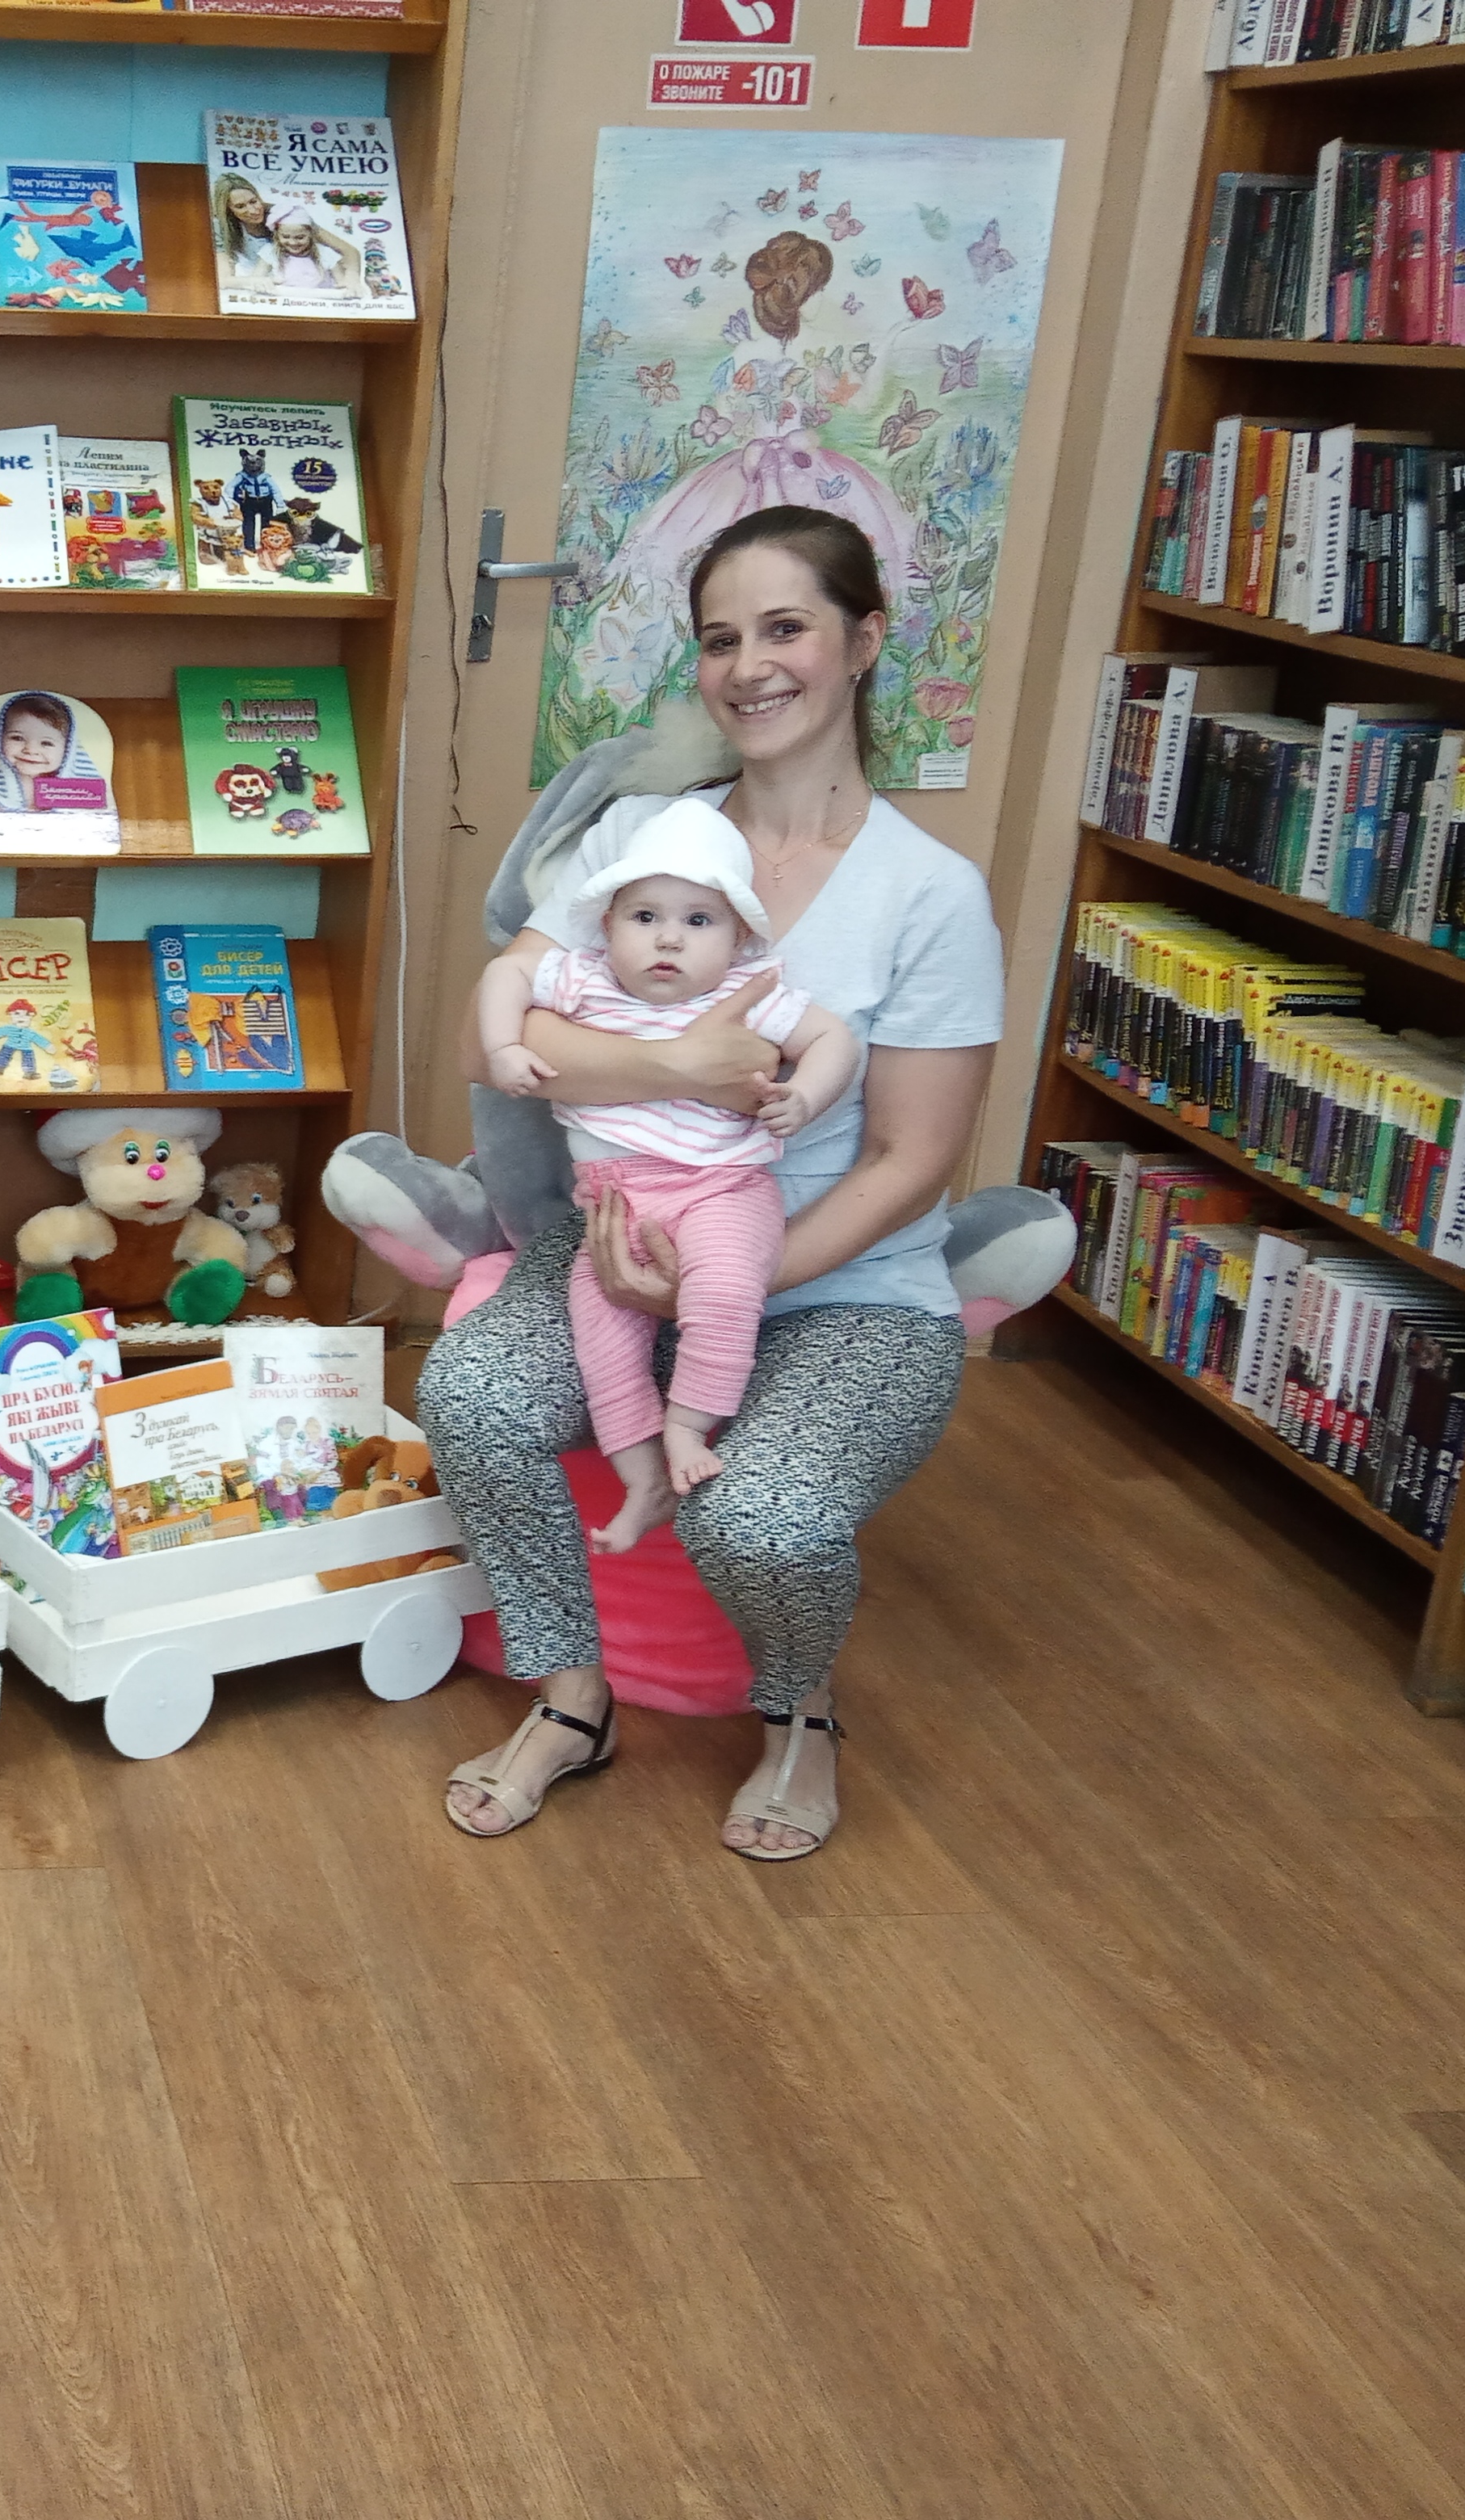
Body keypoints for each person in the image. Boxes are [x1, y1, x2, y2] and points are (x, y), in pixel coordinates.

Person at [422, 504, 1003, 1862]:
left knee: (766, 1518)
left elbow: (912, 1159)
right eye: (720, 638)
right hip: (624, 1250)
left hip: (844, 1292)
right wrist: (676, 1065)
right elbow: (497, 1034)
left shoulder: (928, 893)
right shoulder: (643, 835)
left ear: (864, 640)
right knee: (473, 1395)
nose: (749, 667)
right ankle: (573, 1698)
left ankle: (800, 1713)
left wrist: (721, 1285)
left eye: (785, 628)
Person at [474, 798, 862, 1550]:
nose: (668, 939)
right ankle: (643, 1479)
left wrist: (806, 1097)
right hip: (613, 1208)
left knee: (725, 1292)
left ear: (738, 938)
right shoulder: (585, 980)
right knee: (602, 1343)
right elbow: (505, 974)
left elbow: (833, 1039)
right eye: (644, 916)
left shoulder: (745, 995)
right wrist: (502, 1048)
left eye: (698, 921)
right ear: (608, 924)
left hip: (721, 1190)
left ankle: (688, 1427)